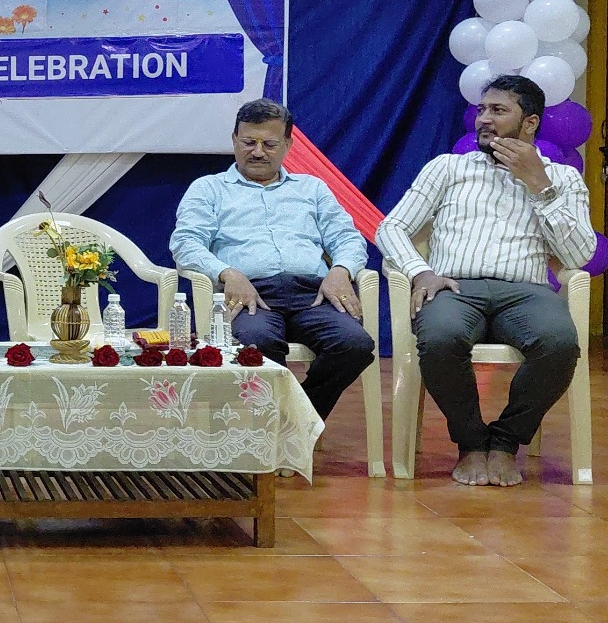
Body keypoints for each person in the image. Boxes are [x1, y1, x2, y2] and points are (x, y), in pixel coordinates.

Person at [377, 75, 593, 487]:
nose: (483, 120)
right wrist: (420, 271)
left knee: (559, 344)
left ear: (530, 123)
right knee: (440, 338)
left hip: (527, 292)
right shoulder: (448, 168)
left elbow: (579, 255)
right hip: (455, 288)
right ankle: (472, 442)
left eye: (498, 111)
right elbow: (391, 228)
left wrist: (540, 187)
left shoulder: (562, 179)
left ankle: (507, 441)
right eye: (481, 110)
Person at [170, 98, 373, 421]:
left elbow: (347, 238)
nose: (258, 152)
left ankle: (295, 421)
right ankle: (288, 428)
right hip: (249, 295)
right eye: (249, 142)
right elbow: (185, 243)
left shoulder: (312, 189)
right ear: (234, 140)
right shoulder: (209, 189)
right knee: (256, 344)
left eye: (269, 144)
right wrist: (227, 273)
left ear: (288, 145)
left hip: (313, 295)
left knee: (354, 344)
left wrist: (341, 269)